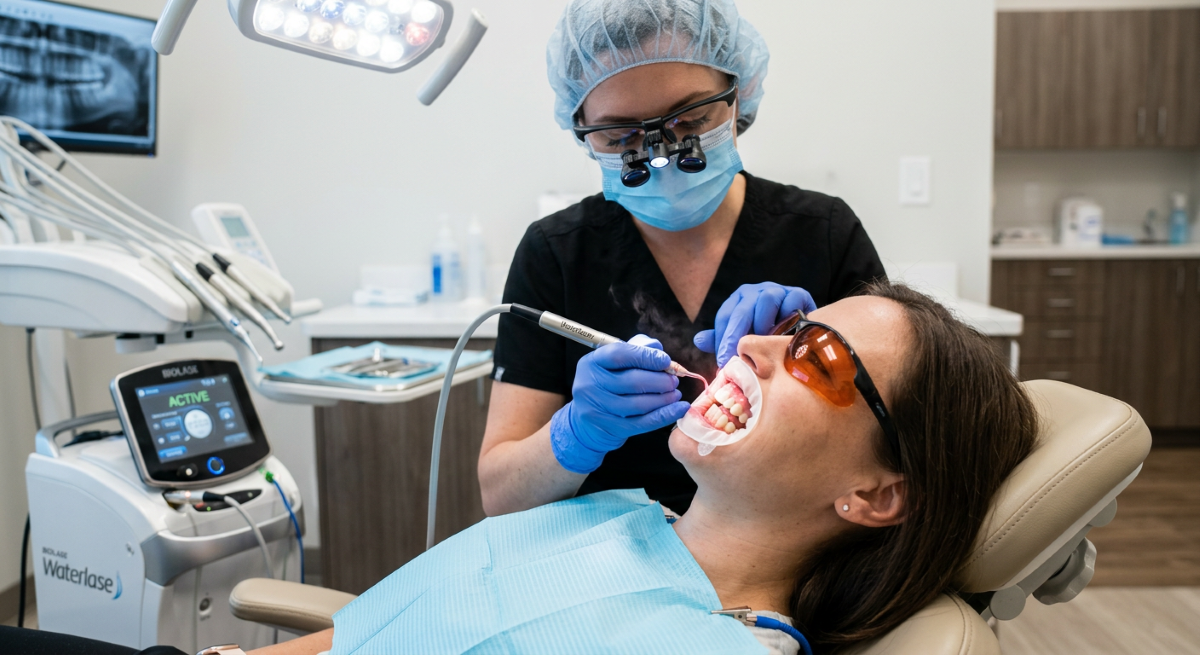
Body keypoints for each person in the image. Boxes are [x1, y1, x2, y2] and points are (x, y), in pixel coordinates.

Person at [0, 283, 1038, 654]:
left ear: (877, 493)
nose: (755, 348)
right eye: (788, 325)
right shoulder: (625, 513)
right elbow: (388, 625)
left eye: (815, 353)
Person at [479, 0, 887, 518]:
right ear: (583, 132)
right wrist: (577, 433)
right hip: (605, 559)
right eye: (621, 136)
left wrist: (823, 343)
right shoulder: (556, 253)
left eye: (691, 118)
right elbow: (500, 498)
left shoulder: (825, 235)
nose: (660, 155)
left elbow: (894, 437)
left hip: (788, 547)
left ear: (737, 98)